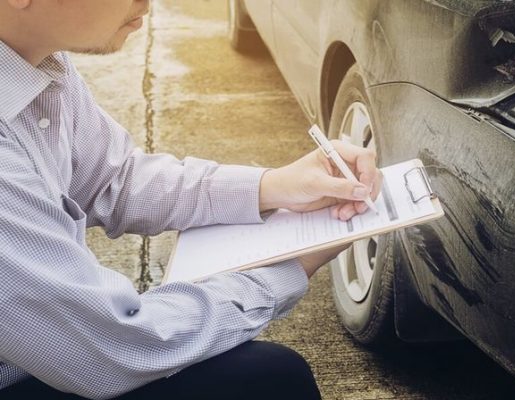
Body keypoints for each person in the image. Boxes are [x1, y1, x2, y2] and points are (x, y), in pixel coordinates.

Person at [0, 0, 381, 398]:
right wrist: (287, 268)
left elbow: (114, 179)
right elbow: (112, 348)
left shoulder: (38, 61)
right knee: (270, 381)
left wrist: (274, 186)